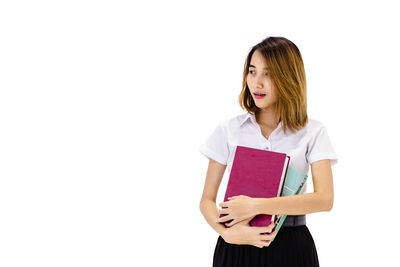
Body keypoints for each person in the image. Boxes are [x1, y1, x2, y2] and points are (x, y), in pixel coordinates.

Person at [198, 36, 338, 267]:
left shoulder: (313, 132)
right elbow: (206, 201)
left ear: (288, 77)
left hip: (292, 247)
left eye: (268, 73)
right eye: (252, 72)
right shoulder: (229, 129)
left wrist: (256, 205)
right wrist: (226, 233)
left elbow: (325, 199)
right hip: (236, 244)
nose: (257, 83)